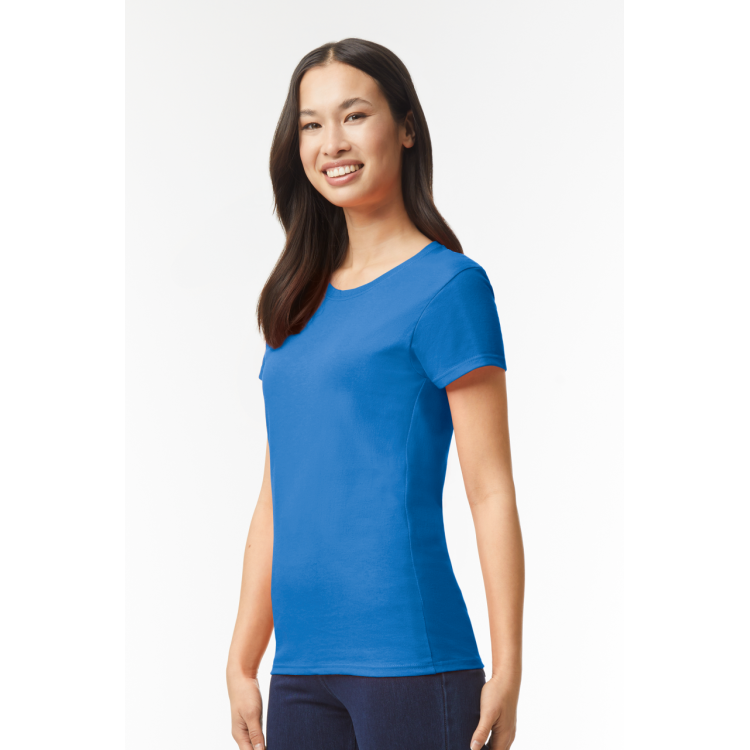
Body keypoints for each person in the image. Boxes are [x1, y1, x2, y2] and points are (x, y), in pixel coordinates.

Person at [226, 38, 524, 750]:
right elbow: (277, 496)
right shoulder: (295, 301)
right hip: (301, 669)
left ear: (406, 127)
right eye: (311, 123)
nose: (332, 142)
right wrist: (243, 657)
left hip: (412, 662)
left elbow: (490, 490)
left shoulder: (449, 287)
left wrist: (509, 665)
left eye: (354, 115)